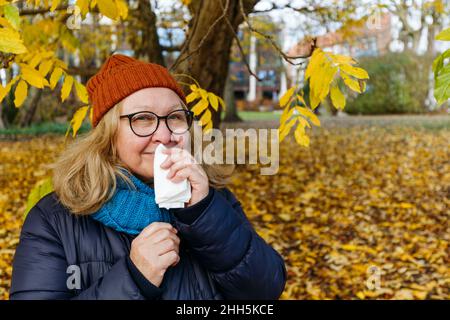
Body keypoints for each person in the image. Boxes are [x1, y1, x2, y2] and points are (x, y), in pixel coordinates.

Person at [9, 54, 287, 300]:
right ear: (108, 135)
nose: (165, 136)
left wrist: (204, 216)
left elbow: (265, 290)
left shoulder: (214, 200)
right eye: (142, 119)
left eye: (175, 117)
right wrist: (133, 279)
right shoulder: (54, 219)